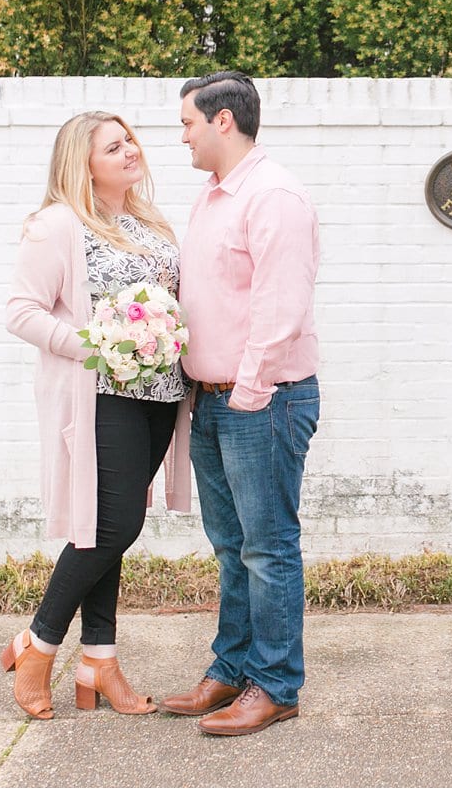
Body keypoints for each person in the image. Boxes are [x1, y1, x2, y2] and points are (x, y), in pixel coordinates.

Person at [3, 110, 192, 719]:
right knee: (108, 528)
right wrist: (96, 344)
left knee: (113, 525)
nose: (130, 150)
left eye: (129, 139)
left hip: (160, 396)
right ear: (81, 164)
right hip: (102, 397)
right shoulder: (57, 226)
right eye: (113, 146)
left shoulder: (148, 221)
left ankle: (98, 662)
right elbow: (21, 311)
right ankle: (38, 644)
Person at [159, 71, 321, 737]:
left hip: (262, 401)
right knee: (231, 545)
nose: (183, 137)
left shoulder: (272, 195)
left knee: (267, 547)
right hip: (212, 400)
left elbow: (279, 307)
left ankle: (276, 685)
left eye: (188, 124)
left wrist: (247, 394)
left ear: (223, 120)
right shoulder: (212, 196)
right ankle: (231, 668)